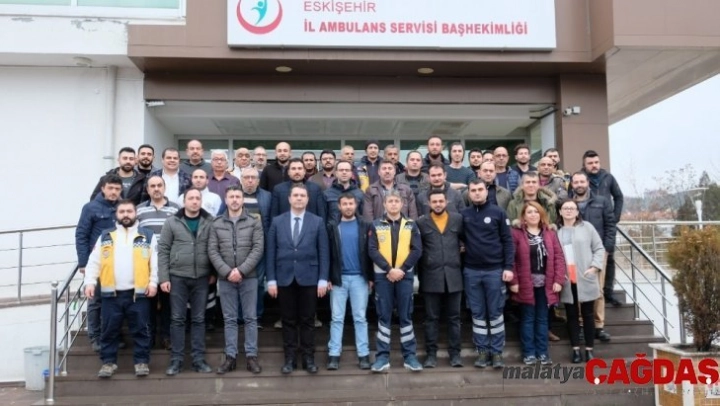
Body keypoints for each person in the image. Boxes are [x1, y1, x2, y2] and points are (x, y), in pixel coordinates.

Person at [83, 199, 158, 379]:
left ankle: (141, 362)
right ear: (116, 215)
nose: (126, 215)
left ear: (135, 213)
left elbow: (155, 262)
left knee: (141, 329)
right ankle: (108, 363)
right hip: (111, 294)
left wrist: (153, 282)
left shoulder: (147, 236)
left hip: (138, 294)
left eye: (129, 211)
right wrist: (90, 282)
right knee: (109, 330)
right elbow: (94, 262)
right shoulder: (105, 236)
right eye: (122, 211)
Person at [266, 185, 330, 375]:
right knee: (288, 320)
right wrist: (271, 279)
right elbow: (271, 252)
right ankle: (290, 359)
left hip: (309, 278)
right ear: (289, 199)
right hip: (284, 277)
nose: (299, 198)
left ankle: (309, 359)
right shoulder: (277, 221)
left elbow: (323, 252)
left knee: (308, 320)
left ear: (308, 199)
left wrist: (323, 278)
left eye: (303, 195)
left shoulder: (317, 221)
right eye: (296, 195)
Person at [158, 188, 215, 376]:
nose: (194, 201)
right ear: (184, 201)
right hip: (178, 277)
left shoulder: (210, 222)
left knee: (199, 319)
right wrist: (164, 277)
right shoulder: (172, 221)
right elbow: (163, 250)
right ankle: (176, 360)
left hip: (202, 277)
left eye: (198, 198)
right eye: (191, 198)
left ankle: (198, 360)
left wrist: (214, 272)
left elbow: (215, 248)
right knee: (177, 319)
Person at [209, 186, 265, 374]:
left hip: (249, 277)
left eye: (237, 197)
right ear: (226, 200)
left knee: (250, 317)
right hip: (225, 278)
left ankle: (251, 356)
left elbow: (258, 248)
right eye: (231, 196)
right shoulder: (216, 223)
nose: (234, 200)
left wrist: (241, 270)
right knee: (230, 319)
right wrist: (227, 272)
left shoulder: (254, 221)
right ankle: (230, 357)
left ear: (242, 200)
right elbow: (212, 250)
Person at [368, 190, 423, 372]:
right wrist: (389, 269)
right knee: (384, 316)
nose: (393, 204)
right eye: (390, 201)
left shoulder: (411, 225)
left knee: (406, 315)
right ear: (384, 204)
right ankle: (382, 357)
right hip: (383, 277)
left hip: (404, 276)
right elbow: (372, 250)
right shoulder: (376, 224)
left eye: (396, 201)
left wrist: (401, 269)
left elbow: (417, 250)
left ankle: (410, 356)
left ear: (402, 204)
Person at [461, 180, 514, 369]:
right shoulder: (464, 215)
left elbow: (508, 241)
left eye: (480, 190)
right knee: (477, 314)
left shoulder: (498, 212)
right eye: (473, 190)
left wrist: (508, 267)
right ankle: (482, 352)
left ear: (486, 191)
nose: (477, 193)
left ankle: (497, 352)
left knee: (496, 313)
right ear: (468, 193)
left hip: (495, 271)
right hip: (471, 271)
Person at [509, 202, 566, 366]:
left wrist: (558, 280)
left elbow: (559, 258)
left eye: (536, 211)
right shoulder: (516, 234)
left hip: (546, 284)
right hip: (525, 284)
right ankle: (529, 353)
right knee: (528, 319)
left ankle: (543, 353)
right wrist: (513, 281)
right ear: (524, 216)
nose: (533, 214)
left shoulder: (550, 234)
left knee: (542, 319)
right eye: (529, 212)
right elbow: (511, 259)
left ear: (541, 215)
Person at [416, 190, 464, 368]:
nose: (438, 204)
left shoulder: (457, 219)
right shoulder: (421, 222)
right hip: (431, 276)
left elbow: (466, 240)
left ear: (447, 201)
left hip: (454, 276)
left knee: (454, 318)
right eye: (434, 201)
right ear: (429, 203)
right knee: (431, 318)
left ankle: (455, 354)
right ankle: (431, 355)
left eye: (440, 201)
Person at [326, 193, 373, 370]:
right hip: (338, 279)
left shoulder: (365, 225)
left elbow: (370, 252)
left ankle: (363, 355)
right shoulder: (332, 226)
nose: (348, 207)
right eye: (344, 204)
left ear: (356, 205)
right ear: (339, 206)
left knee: (360, 318)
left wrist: (370, 277)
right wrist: (328, 276)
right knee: (336, 318)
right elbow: (328, 253)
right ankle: (334, 355)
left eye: (350, 203)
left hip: (360, 278)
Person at [76, 174, 122, 352]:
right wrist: (83, 263)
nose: (113, 192)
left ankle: (112, 336)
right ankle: (95, 336)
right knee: (95, 301)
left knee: (116, 302)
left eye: (117, 189)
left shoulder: (123, 207)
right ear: (103, 188)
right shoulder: (90, 208)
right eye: (110, 188)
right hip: (97, 263)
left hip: (119, 263)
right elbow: (81, 235)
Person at [570, 171, 617, 343]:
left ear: (588, 183)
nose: (579, 185)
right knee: (577, 290)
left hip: (598, 252)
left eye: (582, 181)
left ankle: (598, 326)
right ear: (572, 184)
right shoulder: (568, 204)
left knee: (597, 290)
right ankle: (582, 325)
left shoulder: (602, 201)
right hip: (575, 253)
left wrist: (607, 249)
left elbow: (610, 225)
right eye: (576, 182)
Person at [557, 199, 605, 363]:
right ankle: (576, 349)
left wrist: (594, 267)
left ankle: (589, 350)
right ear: (560, 212)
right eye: (565, 208)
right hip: (567, 277)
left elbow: (599, 248)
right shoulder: (557, 231)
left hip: (585, 276)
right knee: (571, 315)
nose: (569, 211)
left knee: (588, 314)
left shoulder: (587, 228)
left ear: (577, 212)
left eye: (572, 208)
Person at [136, 175, 180, 350]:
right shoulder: (139, 210)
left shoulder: (176, 209)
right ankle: (150, 336)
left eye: (159, 185)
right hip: (146, 263)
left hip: (169, 262)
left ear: (164, 187)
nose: (156, 189)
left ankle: (166, 337)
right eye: (152, 186)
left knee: (168, 302)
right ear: (147, 189)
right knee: (149, 302)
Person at [581, 150, 624, 307]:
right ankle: (589, 293)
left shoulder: (608, 177)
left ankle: (608, 292)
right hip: (587, 225)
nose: (594, 165)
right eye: (590, 163)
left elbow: (619, 197)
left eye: (596, 162)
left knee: (609, 258)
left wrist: (615, 216)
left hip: (605, 224)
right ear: (584, 164)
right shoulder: (580, 179)